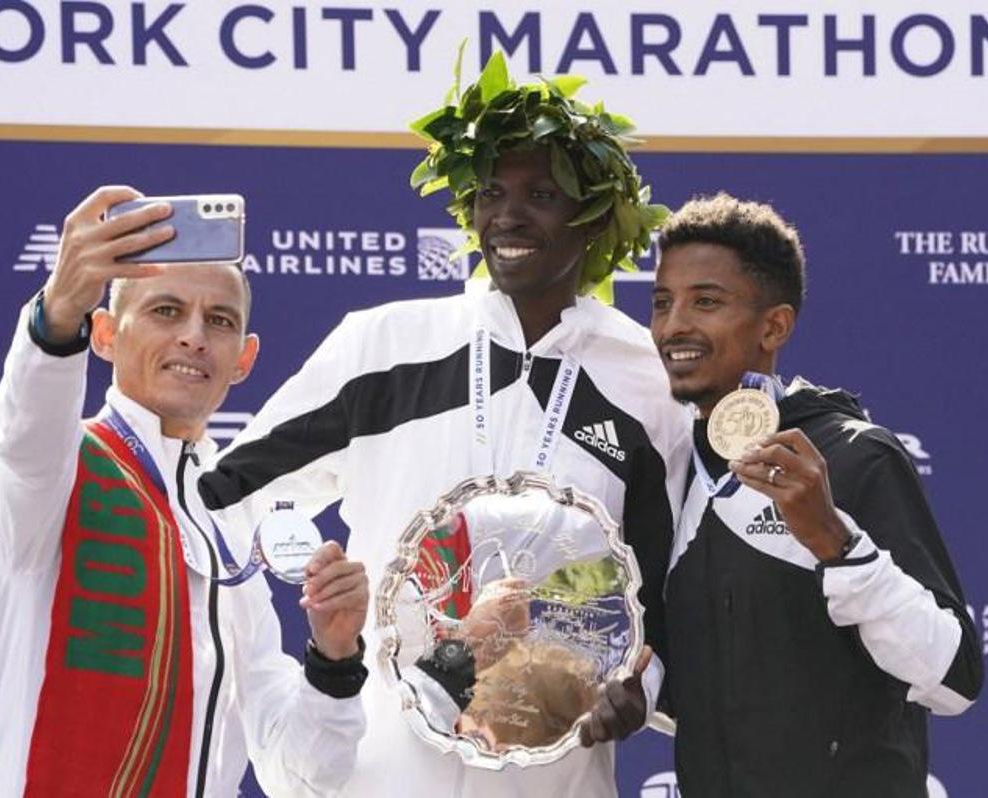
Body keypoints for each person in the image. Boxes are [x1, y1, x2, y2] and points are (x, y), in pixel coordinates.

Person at [197, 52, 692, 797]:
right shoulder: (385, 344)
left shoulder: (646, 381)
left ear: (596, 217)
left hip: (555, 776)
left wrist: (643, 683)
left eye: (541, 193)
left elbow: (674, 591)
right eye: (491, 191)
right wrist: (280, 691)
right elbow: (218, 501)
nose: (509, 214)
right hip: (381, 772)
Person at [0, 185, 370, 797]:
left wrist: (334, 656)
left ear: (243, 360)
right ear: (105, 335)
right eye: (166, 311)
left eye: (219, 321)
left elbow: (308, 769)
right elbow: (26, 429)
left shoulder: (231, 520)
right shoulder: (54, 473)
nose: (194, 336)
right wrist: (59, 311)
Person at [594, 192, 985, 796]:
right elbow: (689, 672)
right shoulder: (670, 469)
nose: (674, 327)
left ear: (774, 325)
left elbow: (954, 679)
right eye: (663, 303)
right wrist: (634, 691)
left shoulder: (855, 456)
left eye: (707, 302)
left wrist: (835, 540)